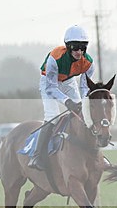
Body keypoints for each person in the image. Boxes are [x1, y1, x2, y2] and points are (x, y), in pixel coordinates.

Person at [29, 25, 94, 169]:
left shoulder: (89, 63)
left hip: (69, 82)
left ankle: (93, 153)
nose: (79, 51)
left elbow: (84, 86)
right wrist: (67, 101)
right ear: (68, 46)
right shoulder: (55, 58)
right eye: (75, 47)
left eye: (83, 47)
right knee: (53, 116)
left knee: (84, 114)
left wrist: (82, 102)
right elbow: (52, 88)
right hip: (49, 82)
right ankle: (37, 156)